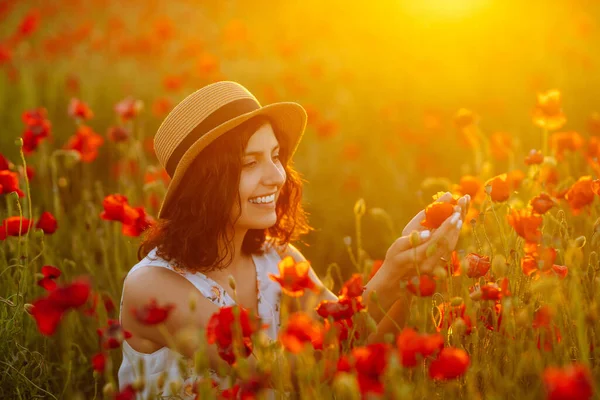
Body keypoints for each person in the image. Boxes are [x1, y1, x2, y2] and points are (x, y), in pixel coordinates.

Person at [117, 81, 469, 398]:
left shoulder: (277, 258)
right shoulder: (153, 286)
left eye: (275, 156)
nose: (276, 176)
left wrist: (410, 267)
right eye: (250, 163)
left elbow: (349, 345)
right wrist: (389, 276)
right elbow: (282, 374)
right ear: (205, 183)